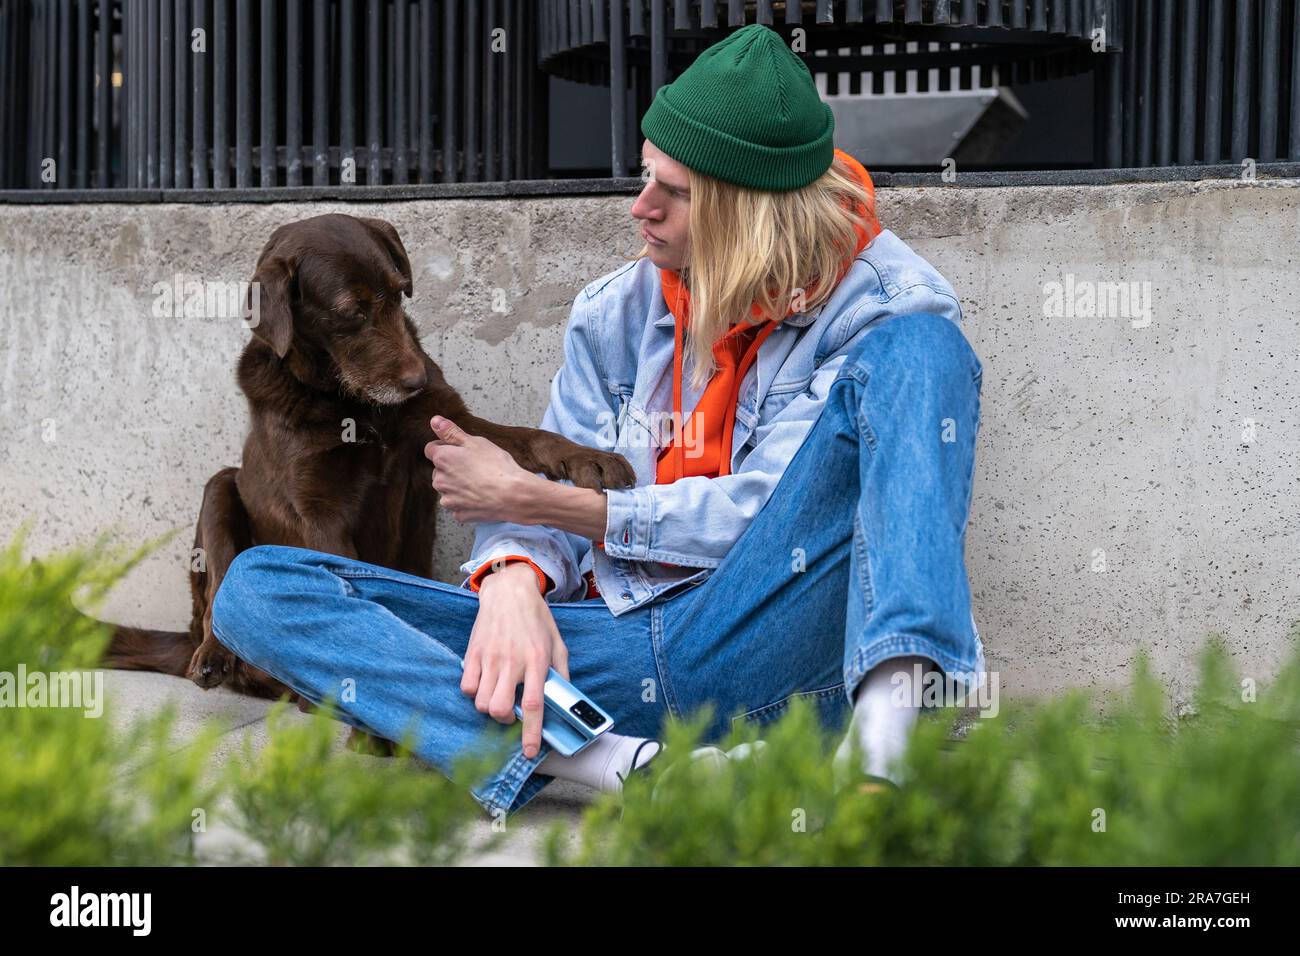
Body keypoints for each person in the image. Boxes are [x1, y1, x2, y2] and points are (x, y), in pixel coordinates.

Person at [210, 23, 986, 819]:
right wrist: (512, 577)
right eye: (645, 176)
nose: (638, 208)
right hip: (602, 659)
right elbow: (543, 486)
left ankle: (883, 762)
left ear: (747, 212)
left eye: (673, 193)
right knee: (257, 592)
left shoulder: (883, 305)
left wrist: (543, 504)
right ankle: (619, 767)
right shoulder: (613, 311)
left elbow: (751, 520)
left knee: (925, 352)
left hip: (770, 641)